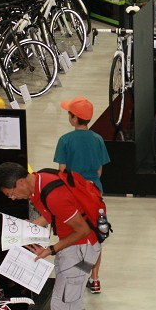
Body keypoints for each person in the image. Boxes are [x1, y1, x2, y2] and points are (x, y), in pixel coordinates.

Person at [0, 162, 101, 310]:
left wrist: (51, 250)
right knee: (74, 303)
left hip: (80, 253)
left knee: (62, 306)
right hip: (83, 252)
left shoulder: (52, 194)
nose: (12, 198)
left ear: (20, 182)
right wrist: (30, 227)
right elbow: (52, 216)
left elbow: (82, 229)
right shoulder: (41, 182)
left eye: (11, 193)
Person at [53, 96, 110, 294]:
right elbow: (100, 170)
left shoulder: (65, 140)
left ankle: (76, 275)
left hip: (73, 195)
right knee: (96, 237)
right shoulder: (98, 139)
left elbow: (62, 171)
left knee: (74, 236)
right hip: (95, 194)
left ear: (73, 118)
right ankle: (94, 279)